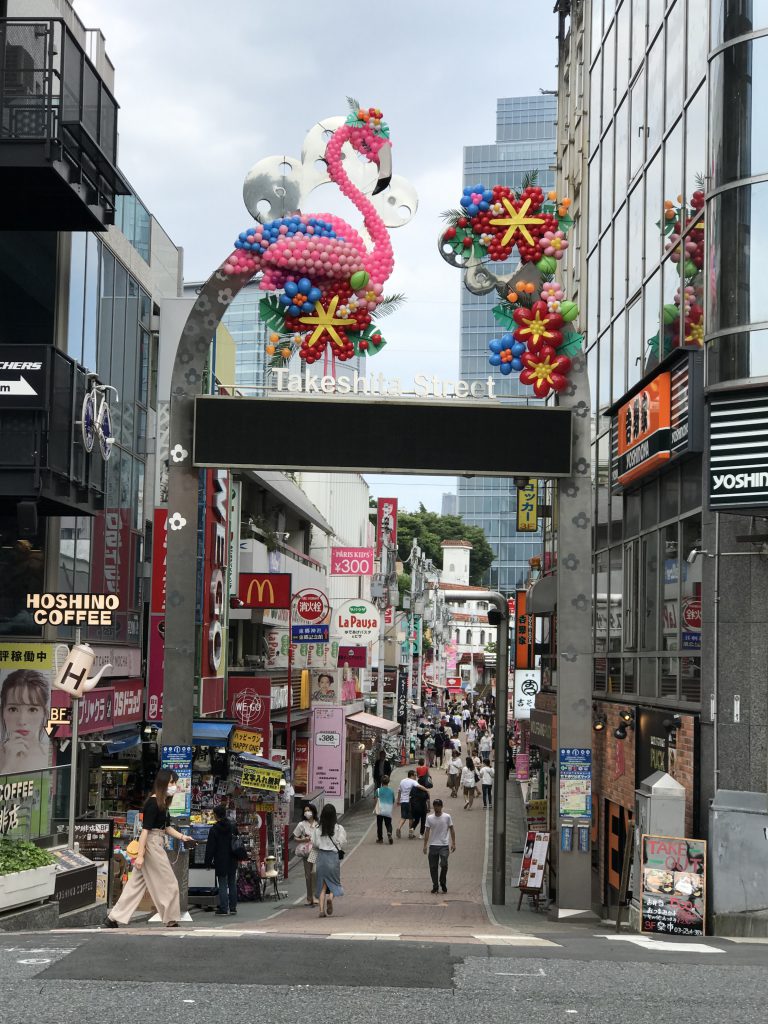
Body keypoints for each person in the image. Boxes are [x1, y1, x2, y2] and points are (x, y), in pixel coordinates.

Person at [105, 769, 195, 928]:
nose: (174, 786)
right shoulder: (154, 803)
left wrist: (182, 837)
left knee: (136, 884)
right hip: (152, 845)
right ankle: (171, 919)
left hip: (154, 842)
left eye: (175, 783)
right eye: (172, 782)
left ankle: (112, 918)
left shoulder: (161, 803)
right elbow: (145, 831)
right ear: (163, 783)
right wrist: (140, 856)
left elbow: (166, 827)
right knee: (170, 882)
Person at [0, 669, 50, 774]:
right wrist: (8, 766)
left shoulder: (47, 755)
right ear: (3, 712)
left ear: (44, 713)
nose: (22, 721)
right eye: (13, 709)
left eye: (32, 709)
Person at [204, 804, 241, 915]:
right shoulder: (233, 826)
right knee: (232, 883)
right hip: (232, 858)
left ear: (216, 815)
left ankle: (224, 908)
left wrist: (208, 862)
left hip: (220, 859)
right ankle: (233, 908)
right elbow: (237, 840)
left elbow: (210, 847)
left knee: (223, 883)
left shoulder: (214, 829)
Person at [312, 804, 347, 918]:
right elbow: (342, 842)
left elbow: (315, 843)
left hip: (322, 857)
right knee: (334, 883)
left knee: (322, 886)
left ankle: (321, 910)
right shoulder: (339, 828)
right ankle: (330, 898)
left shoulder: (318, 829)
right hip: (333, 857)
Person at [423, 798, 456, 894]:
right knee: (433, 867)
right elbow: (427, 831)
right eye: (435, 806)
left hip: (444, 845)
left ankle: (442, 881)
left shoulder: (447, 817)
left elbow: (452, 829)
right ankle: (435, 885)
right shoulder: (429, 818)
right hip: (433, 845)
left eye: (438, 805)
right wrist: (425, 845)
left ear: (441, 806)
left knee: (444, 863)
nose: (436, 807)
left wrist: (453, 843)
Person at [292, 802, 319, 906]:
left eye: (309, 810)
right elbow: (295, 837)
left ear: (313, 811)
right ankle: (309, 897)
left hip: (316, 851)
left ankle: (315, 896)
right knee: (308, 875)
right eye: (305, 811)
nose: (307, 812)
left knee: (314, 873)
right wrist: (303, 839)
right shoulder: (301, 824)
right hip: (306, 852)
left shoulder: (318, 824)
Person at [409, 769, 432, 838]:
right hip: (422, 807)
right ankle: (421, 834)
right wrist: (429, 807)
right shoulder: (425, 790)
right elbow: (428, 800)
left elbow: (410, 797)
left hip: (415, 807)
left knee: (416, 819)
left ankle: (412, 828)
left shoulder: (414, 788)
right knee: (423, 820)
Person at [395, 770, 417, 839]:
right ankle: (410, 833)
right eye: (415, 775)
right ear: (411, 775)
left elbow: (399, 791)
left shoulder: (402, 781)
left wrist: (398, 800)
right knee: (411, 818)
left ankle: (398, 828)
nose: (416, 777)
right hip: (410, 802)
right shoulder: (413, 782)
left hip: (403, 801)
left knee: (403, 817)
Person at [375, 773, 395, 844]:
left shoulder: (378, 790)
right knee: (388, 823)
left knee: (379, 824)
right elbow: (393, 800)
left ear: (381, 782)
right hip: (388, 809)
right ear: (388, 782)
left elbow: (375, 800)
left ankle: (380, 839)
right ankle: (389, 832)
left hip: (380, 809)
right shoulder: (391, 791)